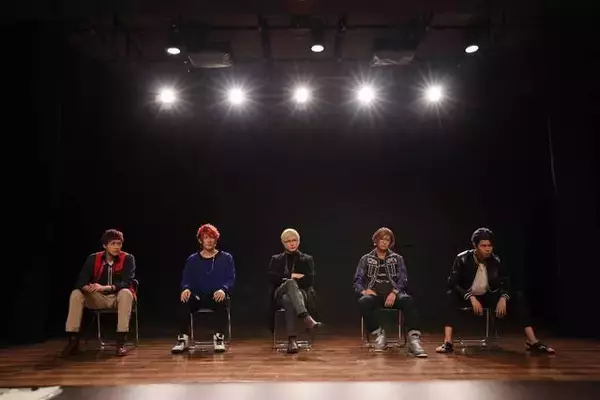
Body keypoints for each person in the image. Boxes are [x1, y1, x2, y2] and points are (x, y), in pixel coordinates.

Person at [435, 227, 555, 354]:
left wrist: (503, 297)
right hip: (466, 296)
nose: (487, 249)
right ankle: (447, 342)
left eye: (490, 246)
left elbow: (506, 282)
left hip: (487, 295)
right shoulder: (462, 259)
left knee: (518, 297)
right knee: (449, 295)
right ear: (475, 246)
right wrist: (470, 296)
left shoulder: (496, 260)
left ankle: (533, 341)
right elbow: (453, 283)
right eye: (483, 246)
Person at [353, 227, 427, 357]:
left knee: (407, 300)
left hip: (393, 295)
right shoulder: (365, 259)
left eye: (387, 240)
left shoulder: (397, 258)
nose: (384, 242)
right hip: (375, 296)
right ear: (376, 241)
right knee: (363, 302)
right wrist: (364, 291)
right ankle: (379, 334)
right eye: (381, 239)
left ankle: (414, 340)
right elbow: (357, 280)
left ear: (390, 242)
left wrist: (394, 292)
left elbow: (403, 279)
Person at [62, 229, 137, 357]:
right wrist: (87, 288)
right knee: (76, 293)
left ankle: (120, 343)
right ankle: (73, 341)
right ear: (105, 245)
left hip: (118, 298)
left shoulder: (128, 258)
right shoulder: (93, 258)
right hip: (98, 298)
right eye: (113, 244)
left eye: (119, 243)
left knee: (126, 292)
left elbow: (127, 282)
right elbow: (80, 281)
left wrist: (104, 287)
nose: (117, 247)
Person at [171, 224, 235, 354]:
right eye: (206, 237)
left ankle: (219, 338)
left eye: (212, 237)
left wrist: (223, 289)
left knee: (221, 301)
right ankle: (183, 339)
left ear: (216, 239)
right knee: (184, 299)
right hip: (197, 296)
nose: (209, 240)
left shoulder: (226, 258)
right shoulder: (192, 259)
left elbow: (230, 278)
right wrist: (186, 288)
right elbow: (186, 279)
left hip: (216, 295)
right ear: (201, 240)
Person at [268, 228, 322, 353]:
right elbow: (271, 278)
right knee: (290, 283)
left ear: (298, 241)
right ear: (283, 243)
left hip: (301, 294)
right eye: (288, 241)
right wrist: (291, 277)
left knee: (288, 299)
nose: (292, 243)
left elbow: (310, 280)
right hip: (279, 293)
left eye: (294, 240)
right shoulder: (276, 259)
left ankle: (292, 340)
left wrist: (286, 280)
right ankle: (305, 317)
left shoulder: (306, 259)